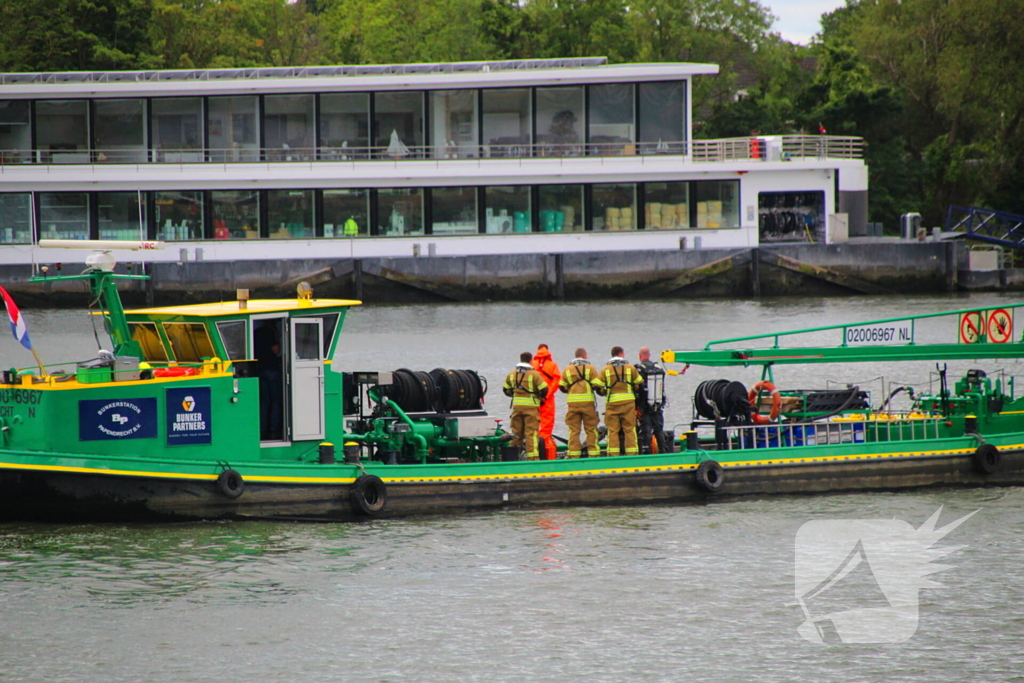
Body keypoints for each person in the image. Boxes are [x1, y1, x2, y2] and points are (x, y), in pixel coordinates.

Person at [503, 351, 549, 460]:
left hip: (516, 408)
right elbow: (544, 389)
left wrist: (515, 395)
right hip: (531, 408)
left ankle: (514, 457)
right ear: (530, 360)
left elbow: (506, 389)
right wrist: (539, 398)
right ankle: (532, 458)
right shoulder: (534, 374)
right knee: (531, 434)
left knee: (515, 433)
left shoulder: (512, 373)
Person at [558, 347, 603, 458]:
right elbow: (597, 386)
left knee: (574, 430)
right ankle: (593, 454)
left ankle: (574, 455)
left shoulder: (567, 369)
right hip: (588, 404)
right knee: (591, 429)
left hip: (573, 404)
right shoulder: (590, 368)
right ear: (584, 356)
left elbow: (562, 387)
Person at [599, 346, 644, 456]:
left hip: (612, 404)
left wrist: (605, 392)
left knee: (613, 430)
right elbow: (640, 384)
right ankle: (632, 454)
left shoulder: (605, 369)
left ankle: (613, 455)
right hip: (628, 403)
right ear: (621, 354)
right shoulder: (630, 368)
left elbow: (597, 388)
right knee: (629, 429)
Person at [253, 319, 284, 440]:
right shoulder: (270, 333)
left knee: (264, 401)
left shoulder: (256, 333)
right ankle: (274, 428)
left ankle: (262, 428)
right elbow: (276, 350)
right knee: (276, 401)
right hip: (272, 369)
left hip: (259, 369)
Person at [636, 346, 669, 454]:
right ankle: (663, 450)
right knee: (659, 428)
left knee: (646, 429)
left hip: (645, 405)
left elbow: (638, 388)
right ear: (649, 355)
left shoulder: (639, 369)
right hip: (657, 403)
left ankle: (648, 451)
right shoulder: (658, 368)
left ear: (640, 356)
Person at [531, 343, 561, 460]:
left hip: (534, 399)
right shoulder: (553, 365)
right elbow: (556, 382)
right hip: (547, 400)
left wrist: (536, 395)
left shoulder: (532, 365)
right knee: (547, 426)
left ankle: (534, 449)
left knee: (532, 425)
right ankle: (547, 449)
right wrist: (547, 395)